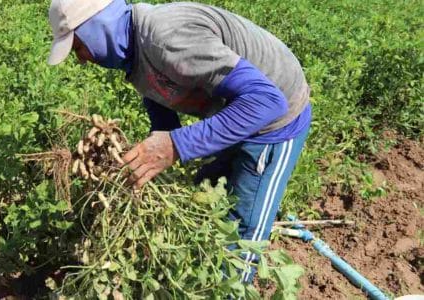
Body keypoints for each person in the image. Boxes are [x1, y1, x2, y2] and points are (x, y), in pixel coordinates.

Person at [47, 0, 311, 282]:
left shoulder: (167, 39)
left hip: (273, 122)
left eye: (78, 47)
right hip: (234, 110)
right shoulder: (136, 53)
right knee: (204, 199)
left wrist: (175, 146)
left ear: (98, 28)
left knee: (239, 241)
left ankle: (232, 287)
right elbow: (163, 116)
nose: (82, 59)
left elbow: (268, 102)